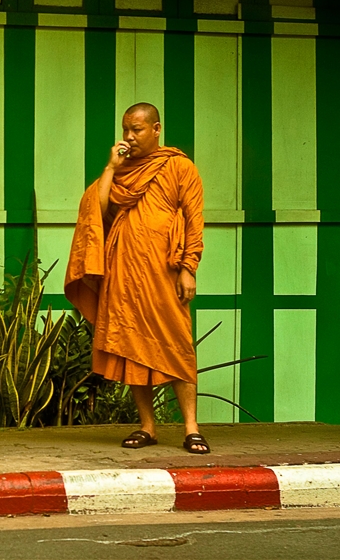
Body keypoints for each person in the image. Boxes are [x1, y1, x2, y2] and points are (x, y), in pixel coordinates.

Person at [64, 102, 209, 453]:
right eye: (126, 129)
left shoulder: (179, 167)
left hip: (165, 272)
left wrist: (189, 268)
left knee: (177, 347)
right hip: (124, 274)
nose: (129, 136)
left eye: (138, 129)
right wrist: (111, 168)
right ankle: (147, 427)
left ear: (156, 129)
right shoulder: (122, 170)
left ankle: (191, 428)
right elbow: (94, 212)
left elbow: (194, 219)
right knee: (131, 349)